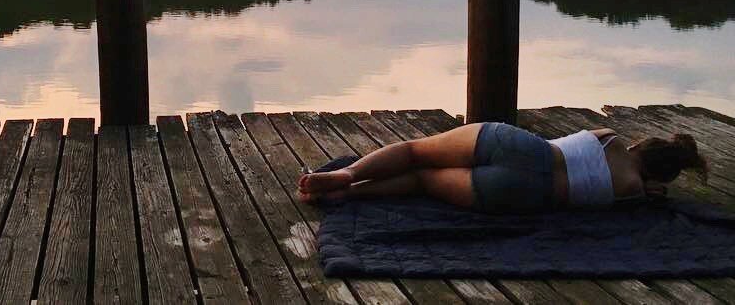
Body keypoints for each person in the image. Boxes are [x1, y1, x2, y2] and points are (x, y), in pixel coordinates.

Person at [297, 122, 708, 211]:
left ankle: (348, 173)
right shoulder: (633, 192)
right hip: (525, 192)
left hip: (526, 148)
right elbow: (636, 194)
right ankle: (348, 193)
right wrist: (648, 192)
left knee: (415, 150)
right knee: (423, 180)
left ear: (639, 145)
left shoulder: (611, 138)